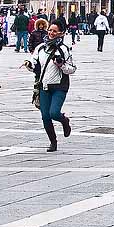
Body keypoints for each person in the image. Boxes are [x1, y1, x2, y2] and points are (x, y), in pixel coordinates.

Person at [27, 23, 74, 151]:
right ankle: (53, 142)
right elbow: (34, 64)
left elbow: (72, 69)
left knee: (54, 113)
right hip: (44, 86)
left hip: (59, 86)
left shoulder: (63, 49)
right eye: (50, 30)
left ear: (61, 33)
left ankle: (64, 120)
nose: (51, 33)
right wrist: (29, 65)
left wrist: (61, 65)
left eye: (54, 31)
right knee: (45, 116)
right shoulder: (40, 48)